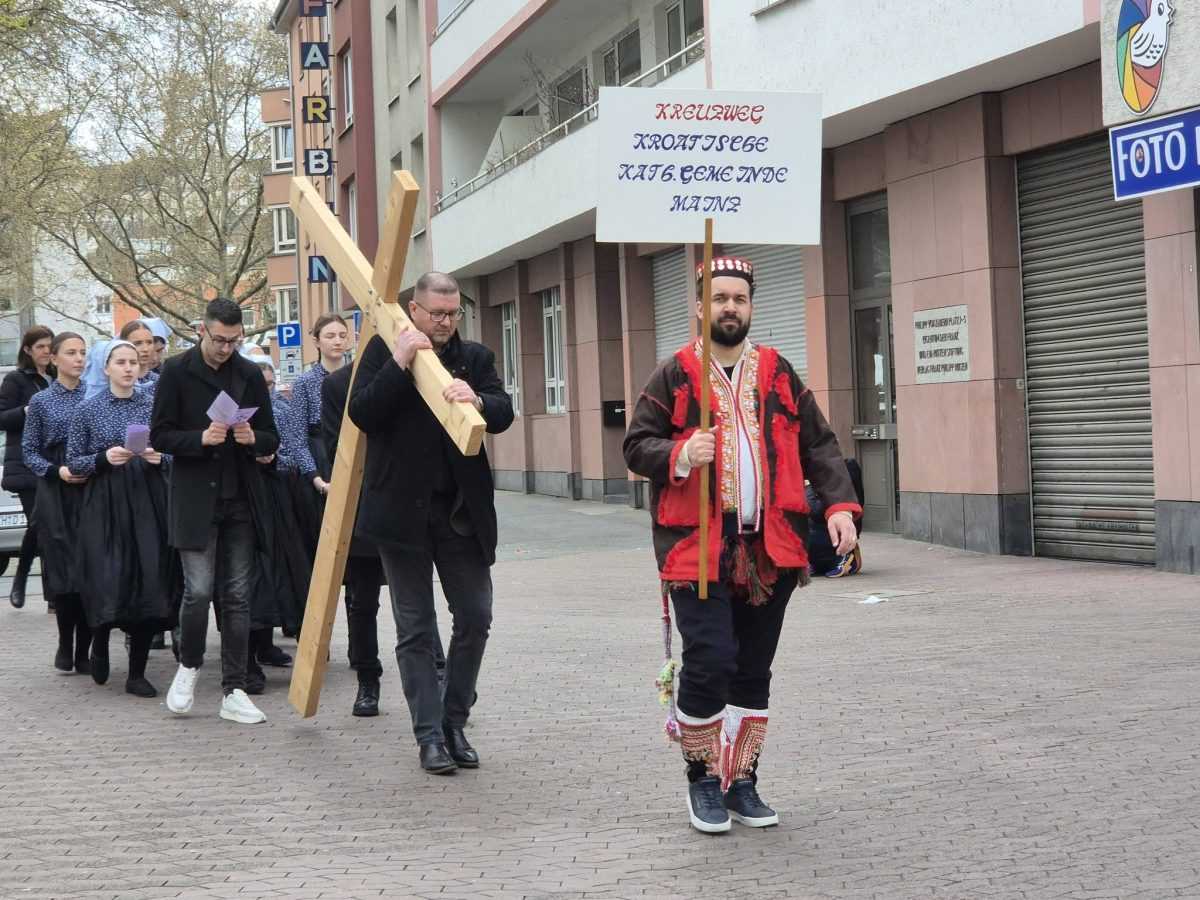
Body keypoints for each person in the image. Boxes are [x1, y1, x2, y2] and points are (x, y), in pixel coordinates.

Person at [623, 256, 862, 834]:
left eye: (740, 298)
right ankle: (703, 778)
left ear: (751, 307)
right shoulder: (674, 374)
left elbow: (821, 446)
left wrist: (839, 508)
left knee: (754, 670)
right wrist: (680, 454)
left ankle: (743, 780)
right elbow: (635, 446)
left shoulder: (779, 372)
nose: (730, 307)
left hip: (771, 548)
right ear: (700, 307)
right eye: (720, 298)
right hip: (696, 549)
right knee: (710, 661)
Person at [348, 272, 513, 773]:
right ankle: (428, 737)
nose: (444, 322)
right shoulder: (382, 350)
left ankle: (453, 720)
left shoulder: (475, 358)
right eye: (436, 313)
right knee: (415, 628)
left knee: (476, 616)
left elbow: (503, 410)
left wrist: (479, 400)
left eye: (453, 313)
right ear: (414, 311)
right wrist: (399, 364)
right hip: (401, 515)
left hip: (460, 514)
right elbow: (363, 413)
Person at [152, 297, 278, 724]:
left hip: (240, 496)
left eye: (235, 340)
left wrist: (252, 439)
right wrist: (199, 439)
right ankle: (188, 667)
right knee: (199, 591)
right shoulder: (175, 371)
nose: (227, 348)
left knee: (238, 597)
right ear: (202, 330)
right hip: (194, 498)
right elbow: (160, 435)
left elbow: (271, 436)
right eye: (220, 339)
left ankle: (235, 688)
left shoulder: (247, 373)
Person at [321, 360, 447, 718]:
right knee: (362, 601)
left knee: (415, 597)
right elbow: (336, 447)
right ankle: (367, 680)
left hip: (406, 504)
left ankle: (439, 673)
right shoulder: (337, 385)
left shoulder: (419, 369)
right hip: (363, 503)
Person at [67, 340, 174, 697]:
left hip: (146, 497)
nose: (129, 368)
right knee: (108, 576)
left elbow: (174, 449)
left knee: (148, 577)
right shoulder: (88, 410)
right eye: (121, 362)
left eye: (133, 362)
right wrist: (102, 458)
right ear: (107, 367)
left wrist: (162, 457)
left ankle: (137, 673)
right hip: (105, 500)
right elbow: (73, 461)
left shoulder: (153, 403)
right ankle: (99, 640)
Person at [22, 332, 91, 673]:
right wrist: (55, 472)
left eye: (83, 352)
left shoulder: (95, 395)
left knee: (93, 568)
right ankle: (66, 641)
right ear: (55, 359)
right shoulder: (42, 402)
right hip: (57, 489)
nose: (79, 359)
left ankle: (86, 650)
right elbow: (29, 451)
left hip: (92, 487)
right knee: (64, 570)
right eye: (71, 353)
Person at [0, 325, 53, 608]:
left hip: (53, 462)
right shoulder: (16, 380)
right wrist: (26, 411)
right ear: (28, 349)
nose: (46, 351)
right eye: (41, 346)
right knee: (39, 520)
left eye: (49, 346)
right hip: (24, 465)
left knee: (52, 525)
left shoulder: (57, 378)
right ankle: (21, 575)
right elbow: (1, 418)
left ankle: (53, 592)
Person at [290, 313, 348, 497]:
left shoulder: (359, 377)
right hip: (320, 462)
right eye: (330, 336)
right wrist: (316, 479)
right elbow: (297, 439)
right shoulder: (304, 382)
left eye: (342, 335)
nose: (337, 341)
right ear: (316, 341)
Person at [119, 320, 159, 394]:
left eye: (149, 342)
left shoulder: (161, 382)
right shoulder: (115, 382)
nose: (145, 349)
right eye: (138, 343)